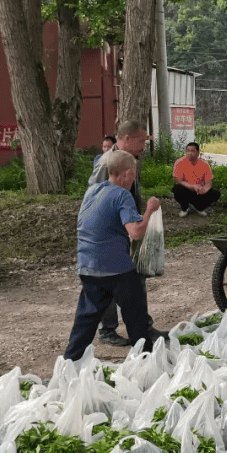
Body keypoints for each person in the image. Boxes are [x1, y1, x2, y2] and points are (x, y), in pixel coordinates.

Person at [64, 149, 167, 360]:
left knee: (86, 318)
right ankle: (144, 361)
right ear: (127, 173)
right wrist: (150, 210)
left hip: (87, 264)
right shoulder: (122, 195)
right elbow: (136, 232)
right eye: (134, 173)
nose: (134, 178)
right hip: (115, 267)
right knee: (135, 313)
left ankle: (69, 362)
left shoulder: (93, 190)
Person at [87, 120, 152, 345]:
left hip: (129, 225)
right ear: (125, 139)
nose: (144, 145)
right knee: (109, 281)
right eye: (141, 141)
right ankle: (107, 330)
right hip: (111, 232)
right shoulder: (106, 163)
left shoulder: (133, 160)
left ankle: (143, 327)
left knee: (137, 276)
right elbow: (94, 195)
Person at [172, 142, 220, 217]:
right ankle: (185, 208)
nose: (189, 153)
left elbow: (208, 183)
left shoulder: (205, 165)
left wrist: (204, 190)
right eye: (188, 151)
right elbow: (179, 181)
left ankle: (199, 208)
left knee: (216, 193)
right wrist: (193, 186)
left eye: (192, 151)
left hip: (199, 192)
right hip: (186, 190)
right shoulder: (179, 162)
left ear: (198, 153)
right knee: (177, 189)